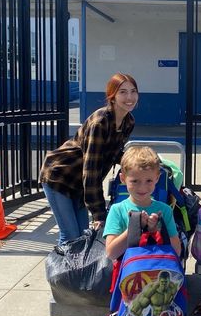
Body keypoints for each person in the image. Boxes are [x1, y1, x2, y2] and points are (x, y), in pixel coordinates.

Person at [103, 145, 182, 316]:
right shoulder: (117, 210)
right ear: (123, 179)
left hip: (159, 289)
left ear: (158, 178)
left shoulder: (165, 209)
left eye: (149, 180)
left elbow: (177, 249)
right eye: (135, 180)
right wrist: (134, 225)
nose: (142, 186)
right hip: (126, 290)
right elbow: (111, 251)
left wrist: (158, 225)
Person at [39, 72, 138, 245]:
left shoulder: (128, 122)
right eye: (122, 92)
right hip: (59, 177)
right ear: (112, 96)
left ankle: (77, 272)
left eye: (133, 91)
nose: (129, 97)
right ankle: (61, 272)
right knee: (70, 237)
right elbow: (91, 170)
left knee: (83, 237)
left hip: (80, 183)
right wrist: (98, 214)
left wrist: (138, 162)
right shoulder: (100, 122)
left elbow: (114, 153)